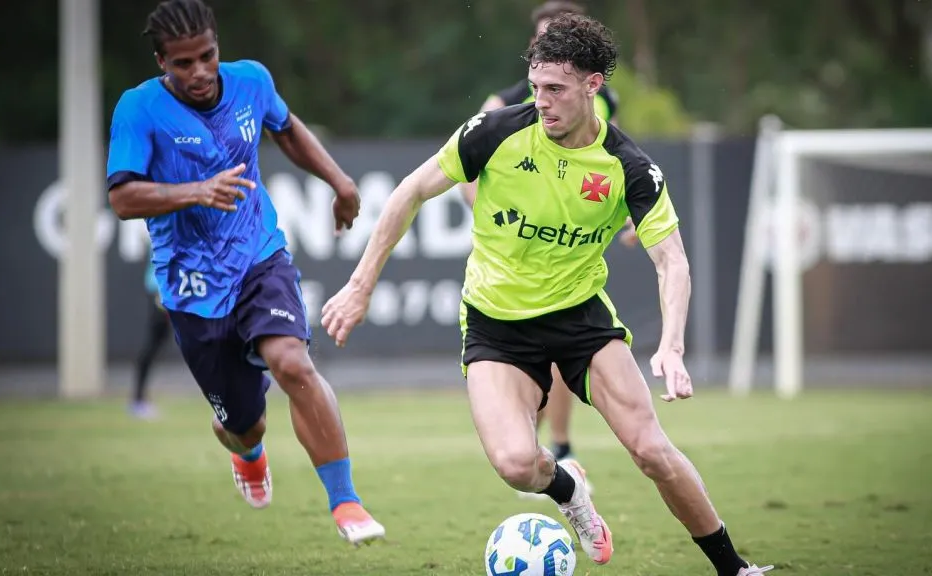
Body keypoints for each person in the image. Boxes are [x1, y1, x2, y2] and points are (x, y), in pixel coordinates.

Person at [321, 13, 771, 575]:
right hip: (495, 325)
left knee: (653, 451)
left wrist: (672, 345)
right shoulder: (494, 131)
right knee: (514, 463)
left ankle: (735, 568)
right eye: (535, 87)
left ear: (592, 85)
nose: (542, 102)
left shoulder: (628, 167)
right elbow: (410, 192)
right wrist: (361, 286)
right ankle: (570, 493)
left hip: (580, 318)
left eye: (555, 89)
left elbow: (672, 260)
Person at [105, 0, 384, 545]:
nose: (200, 72)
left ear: (217, 46)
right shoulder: (138, 109)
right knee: (243, 424)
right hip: (191, 290)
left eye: (207, 56)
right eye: (183, 63)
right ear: (162, 61)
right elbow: (122, 196)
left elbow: (286, 127)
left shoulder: (251, 80)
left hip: (259, 255)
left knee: (292, 362)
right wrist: (196, 192)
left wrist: (341, 182)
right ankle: (250, 453)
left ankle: (346, 501)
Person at [459, 0, 634, 496]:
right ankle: (532, 448)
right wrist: (494, 218)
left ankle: (560, 445)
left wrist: (631, 215)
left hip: (568, 252)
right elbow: (465, 168)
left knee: (562, 353)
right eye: (541, 38)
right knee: (523, 357)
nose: (548, 45)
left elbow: (613, 155)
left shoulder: (601, 100)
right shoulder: (505, 105)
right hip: (512, 254)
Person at [128, 257, 170, 420]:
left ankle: (139, 399)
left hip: (165, 287)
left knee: (158, 341)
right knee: (153, 342)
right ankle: (138, 400)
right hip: (160, 288)